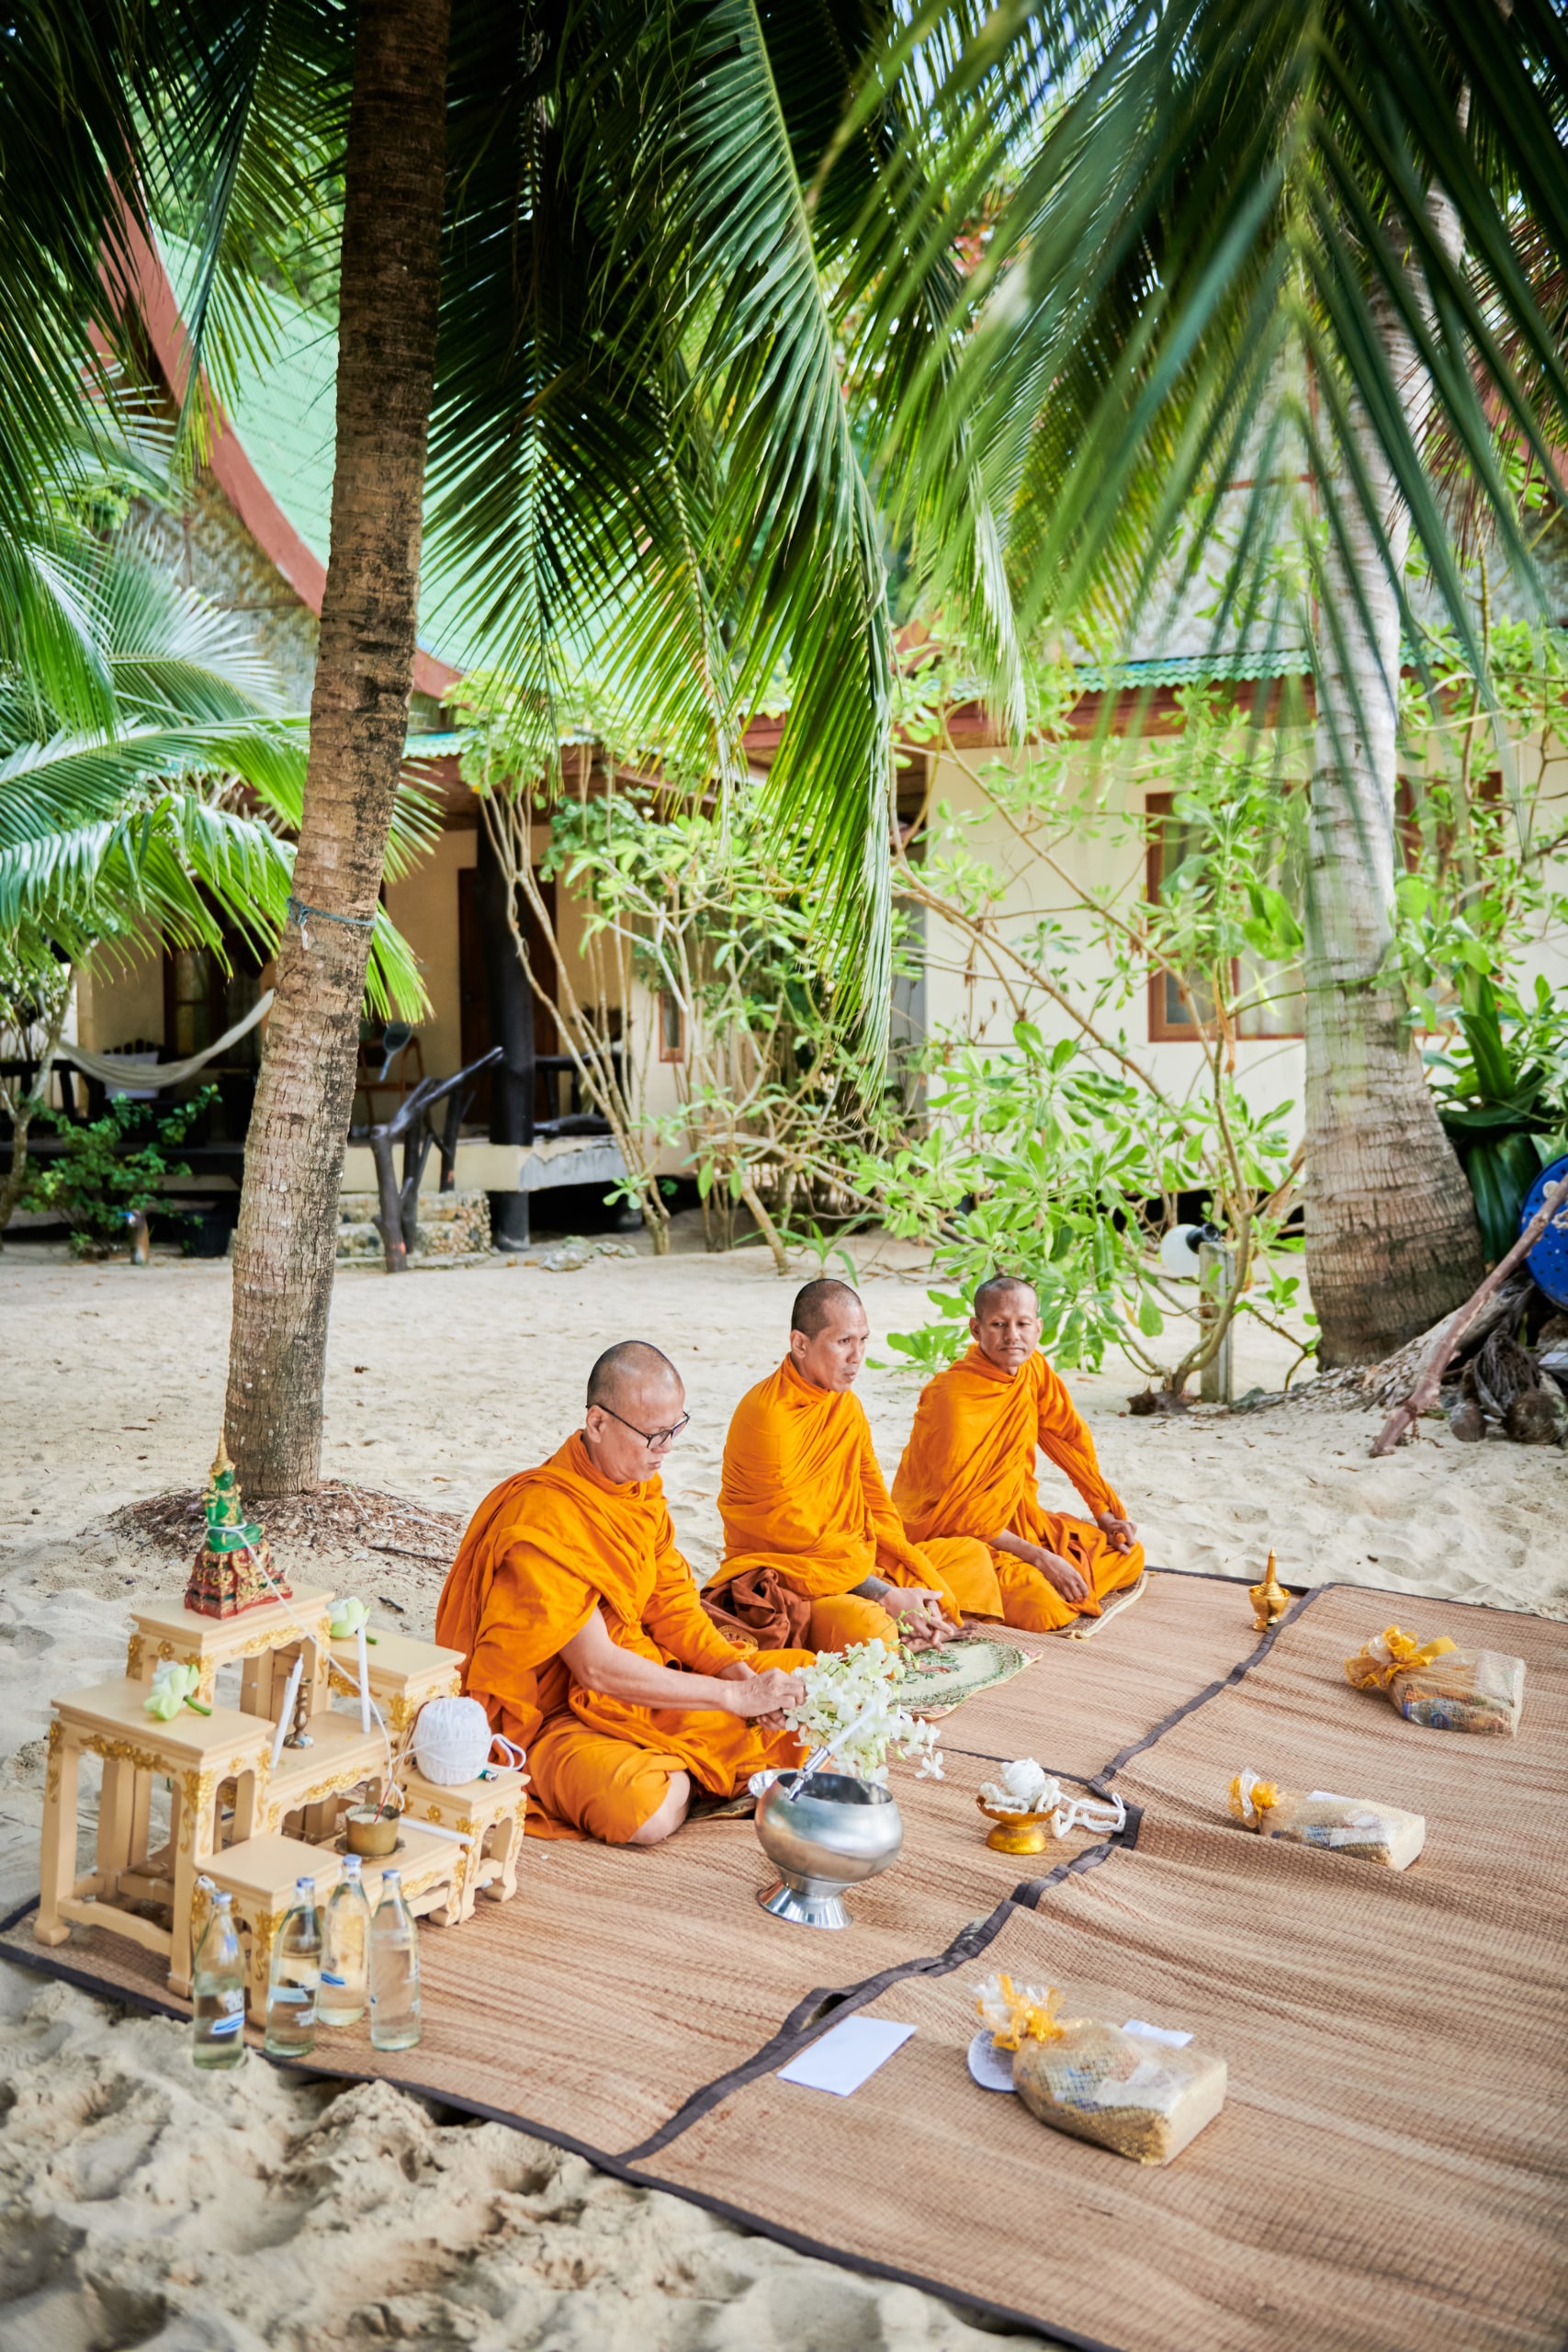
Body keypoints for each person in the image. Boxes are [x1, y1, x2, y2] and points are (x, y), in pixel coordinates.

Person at [435, 1342, 808, 1844]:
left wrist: (739, 1676)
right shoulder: (547, 1517)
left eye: (676, 1429)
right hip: (558, 1717)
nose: (667, 1448)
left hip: (643, 1679)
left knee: (805, 1683)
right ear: (597, 1423)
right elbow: (595, 1667)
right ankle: (691, 1774)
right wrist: (733, 1696)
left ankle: (692, 1767)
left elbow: (673, 1604)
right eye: (655, 1434)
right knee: (641, 1811)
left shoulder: (637, 1488)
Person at [709, 1278, 1003, 1655]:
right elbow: (797, 1541)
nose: (857, 1356)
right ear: (801, 1343)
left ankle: (913, 1626)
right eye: (844, 1341)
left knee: (971, 1558)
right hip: (792, 1580)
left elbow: (875, 1498)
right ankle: (906, 1629)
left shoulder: (846, 1405)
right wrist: (884, 1593)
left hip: (856, 1560)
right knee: (872, 1626)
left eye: (863, 1340)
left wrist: (905, 1569)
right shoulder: (768, 1418)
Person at [892, 1274, 1145, 1634]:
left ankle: (1051, 1578)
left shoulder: (1033, 1369)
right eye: (998, 1324)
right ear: (976, 1329)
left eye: (1022, 1324)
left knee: (1129, 1553)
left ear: (1038, 1328)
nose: (1013, 1335)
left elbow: (1070, 1439)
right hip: (962, 1538)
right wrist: (1042, 1558)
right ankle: (1023, 1584)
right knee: (1044, 1611)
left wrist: (1103, 1512)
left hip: (1020, 1521)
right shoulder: (952, 1397)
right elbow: (960, 1515)